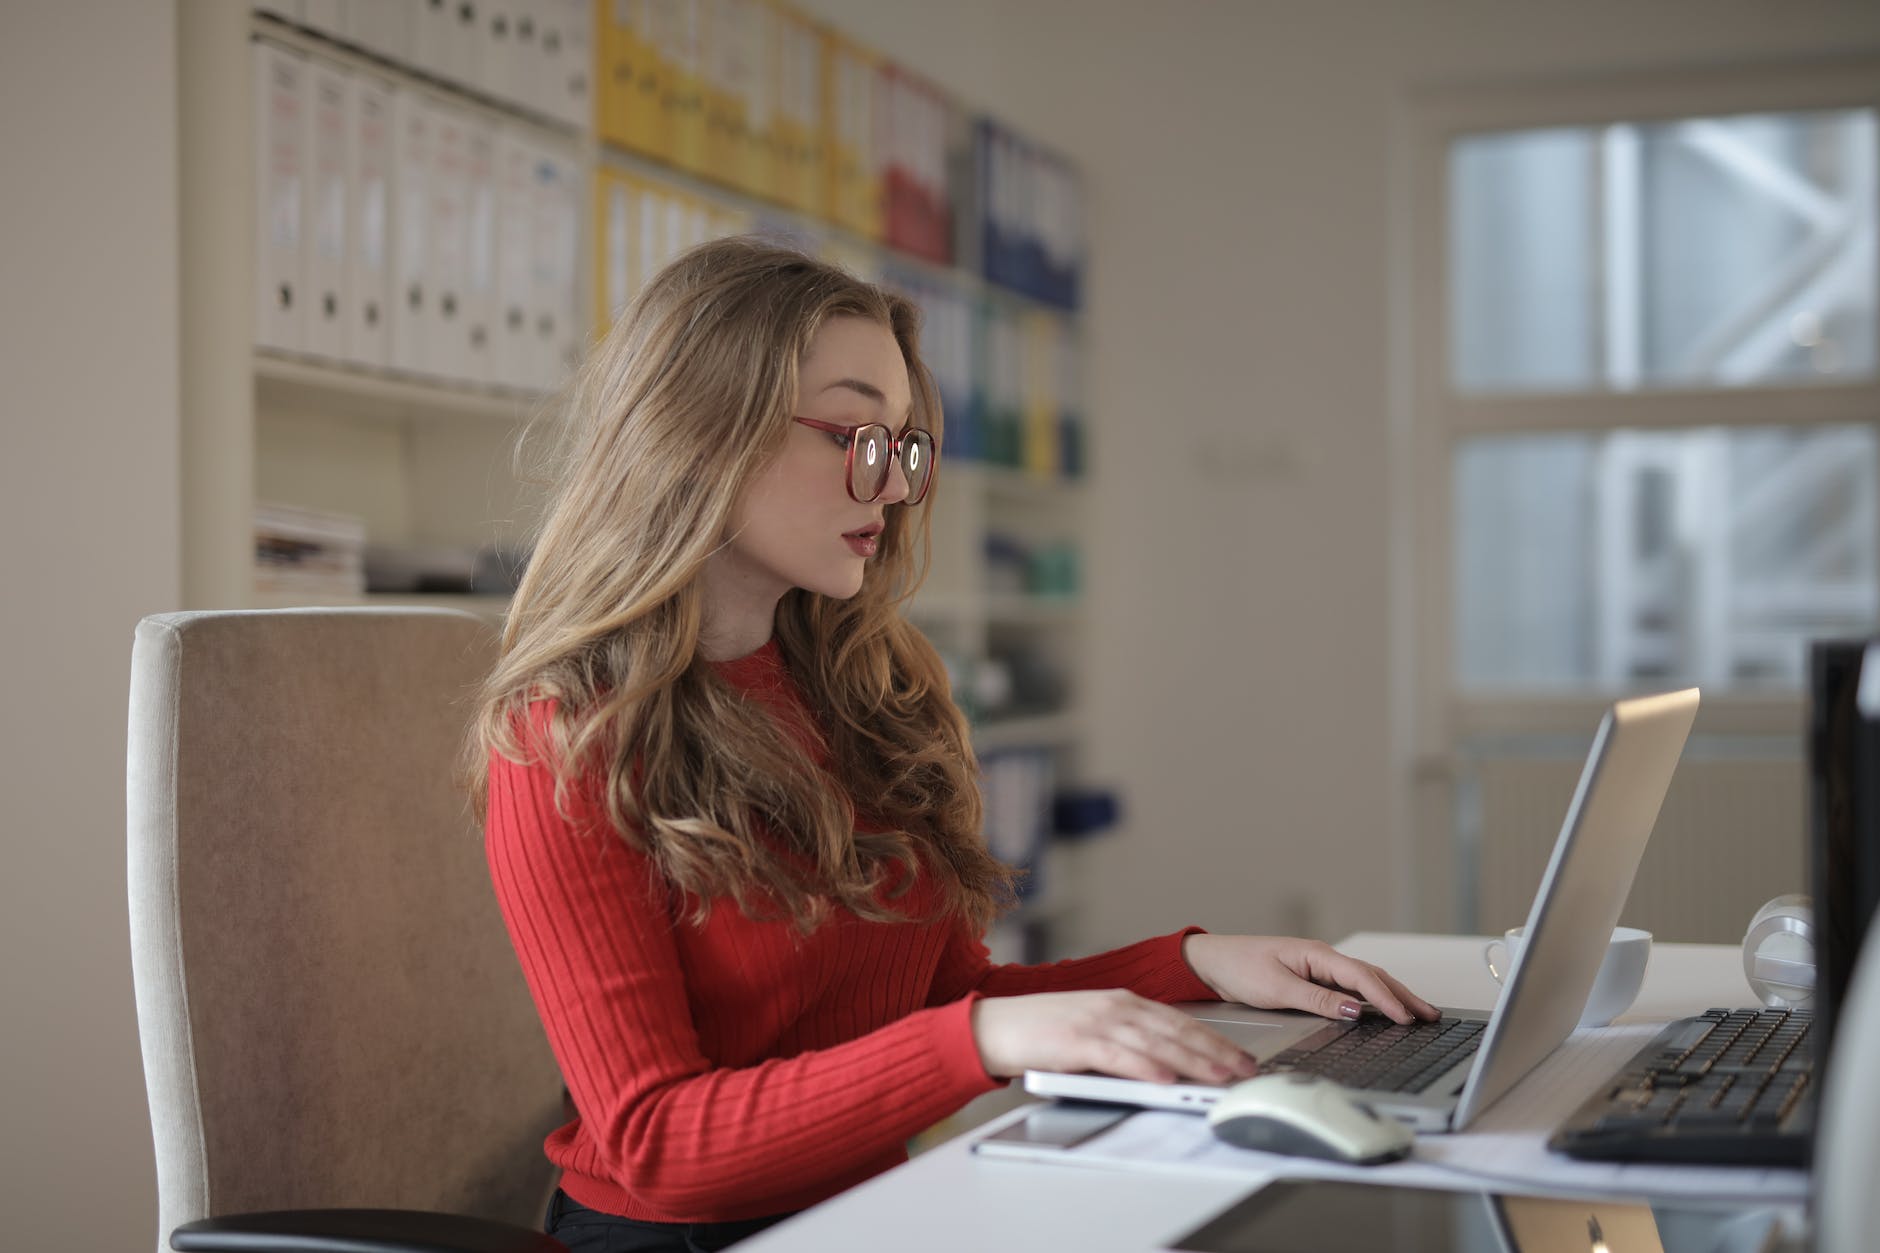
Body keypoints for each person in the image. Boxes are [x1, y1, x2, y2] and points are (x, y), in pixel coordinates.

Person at [473, 237, 1437, 1253]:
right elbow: (654, 1138)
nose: (890, 489)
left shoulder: (866, 688)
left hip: (874, 1209)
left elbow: (940, 1005)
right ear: (703, 431)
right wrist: (977, 1040)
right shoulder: (567, 736)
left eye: (902, 446)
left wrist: (1193, 961)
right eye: (856, 434)